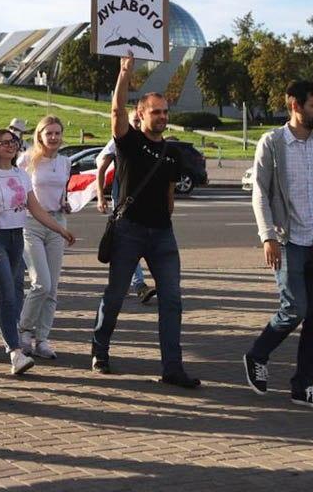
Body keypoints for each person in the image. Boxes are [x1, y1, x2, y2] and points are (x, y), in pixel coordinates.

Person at [91, 54, 199, 390]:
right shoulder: (129, 142)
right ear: (141, 114)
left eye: (166, 112)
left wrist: (165, 220)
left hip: (162, 235)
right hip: (129, 231)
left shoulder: (172, 152)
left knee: (172, 299)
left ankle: (172, 367)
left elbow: (169, 193)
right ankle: (100, 350)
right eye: (157, 112)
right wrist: (124, 74)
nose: (163, 117)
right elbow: (116, 112)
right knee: (116, 294)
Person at [243, 80, 313, 411]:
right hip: (287, 241)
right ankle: (257, 354)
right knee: (295, 308)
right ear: (295, 106)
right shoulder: (272, 142)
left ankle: (304, 385)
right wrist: (267, 236)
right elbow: (260, 192)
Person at [0, 128, 76, 374]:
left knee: (3, 292)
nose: (10, 146)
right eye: (4, 142)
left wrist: (60, 230)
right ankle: (15, 352)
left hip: (16, 238)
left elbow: (36, 209)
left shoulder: (21, 174)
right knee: (8, 294)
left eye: (14, 142)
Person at [16, 116, 76, 359]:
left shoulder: (65, 161)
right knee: (41, 283)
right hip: (30, 222)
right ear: (39, 135)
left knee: (53, 288)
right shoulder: (26, 159)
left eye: (57, 133)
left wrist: (66, 203)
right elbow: (17, 190)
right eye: (48, 133)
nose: (53, 137)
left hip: (57, 222)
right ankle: (23, 331)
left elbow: (62, 192)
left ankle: (42, 339)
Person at [96, 127, 157, 305]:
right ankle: (139, 285)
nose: (137, 125)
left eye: (139, 121)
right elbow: (101, 167)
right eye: (134, 121)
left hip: (146, 201)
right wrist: (100, 197)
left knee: (133, 243)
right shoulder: (118, 142)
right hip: (124, 201)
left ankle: (121, 282)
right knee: (128, 242)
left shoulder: (151, 141)